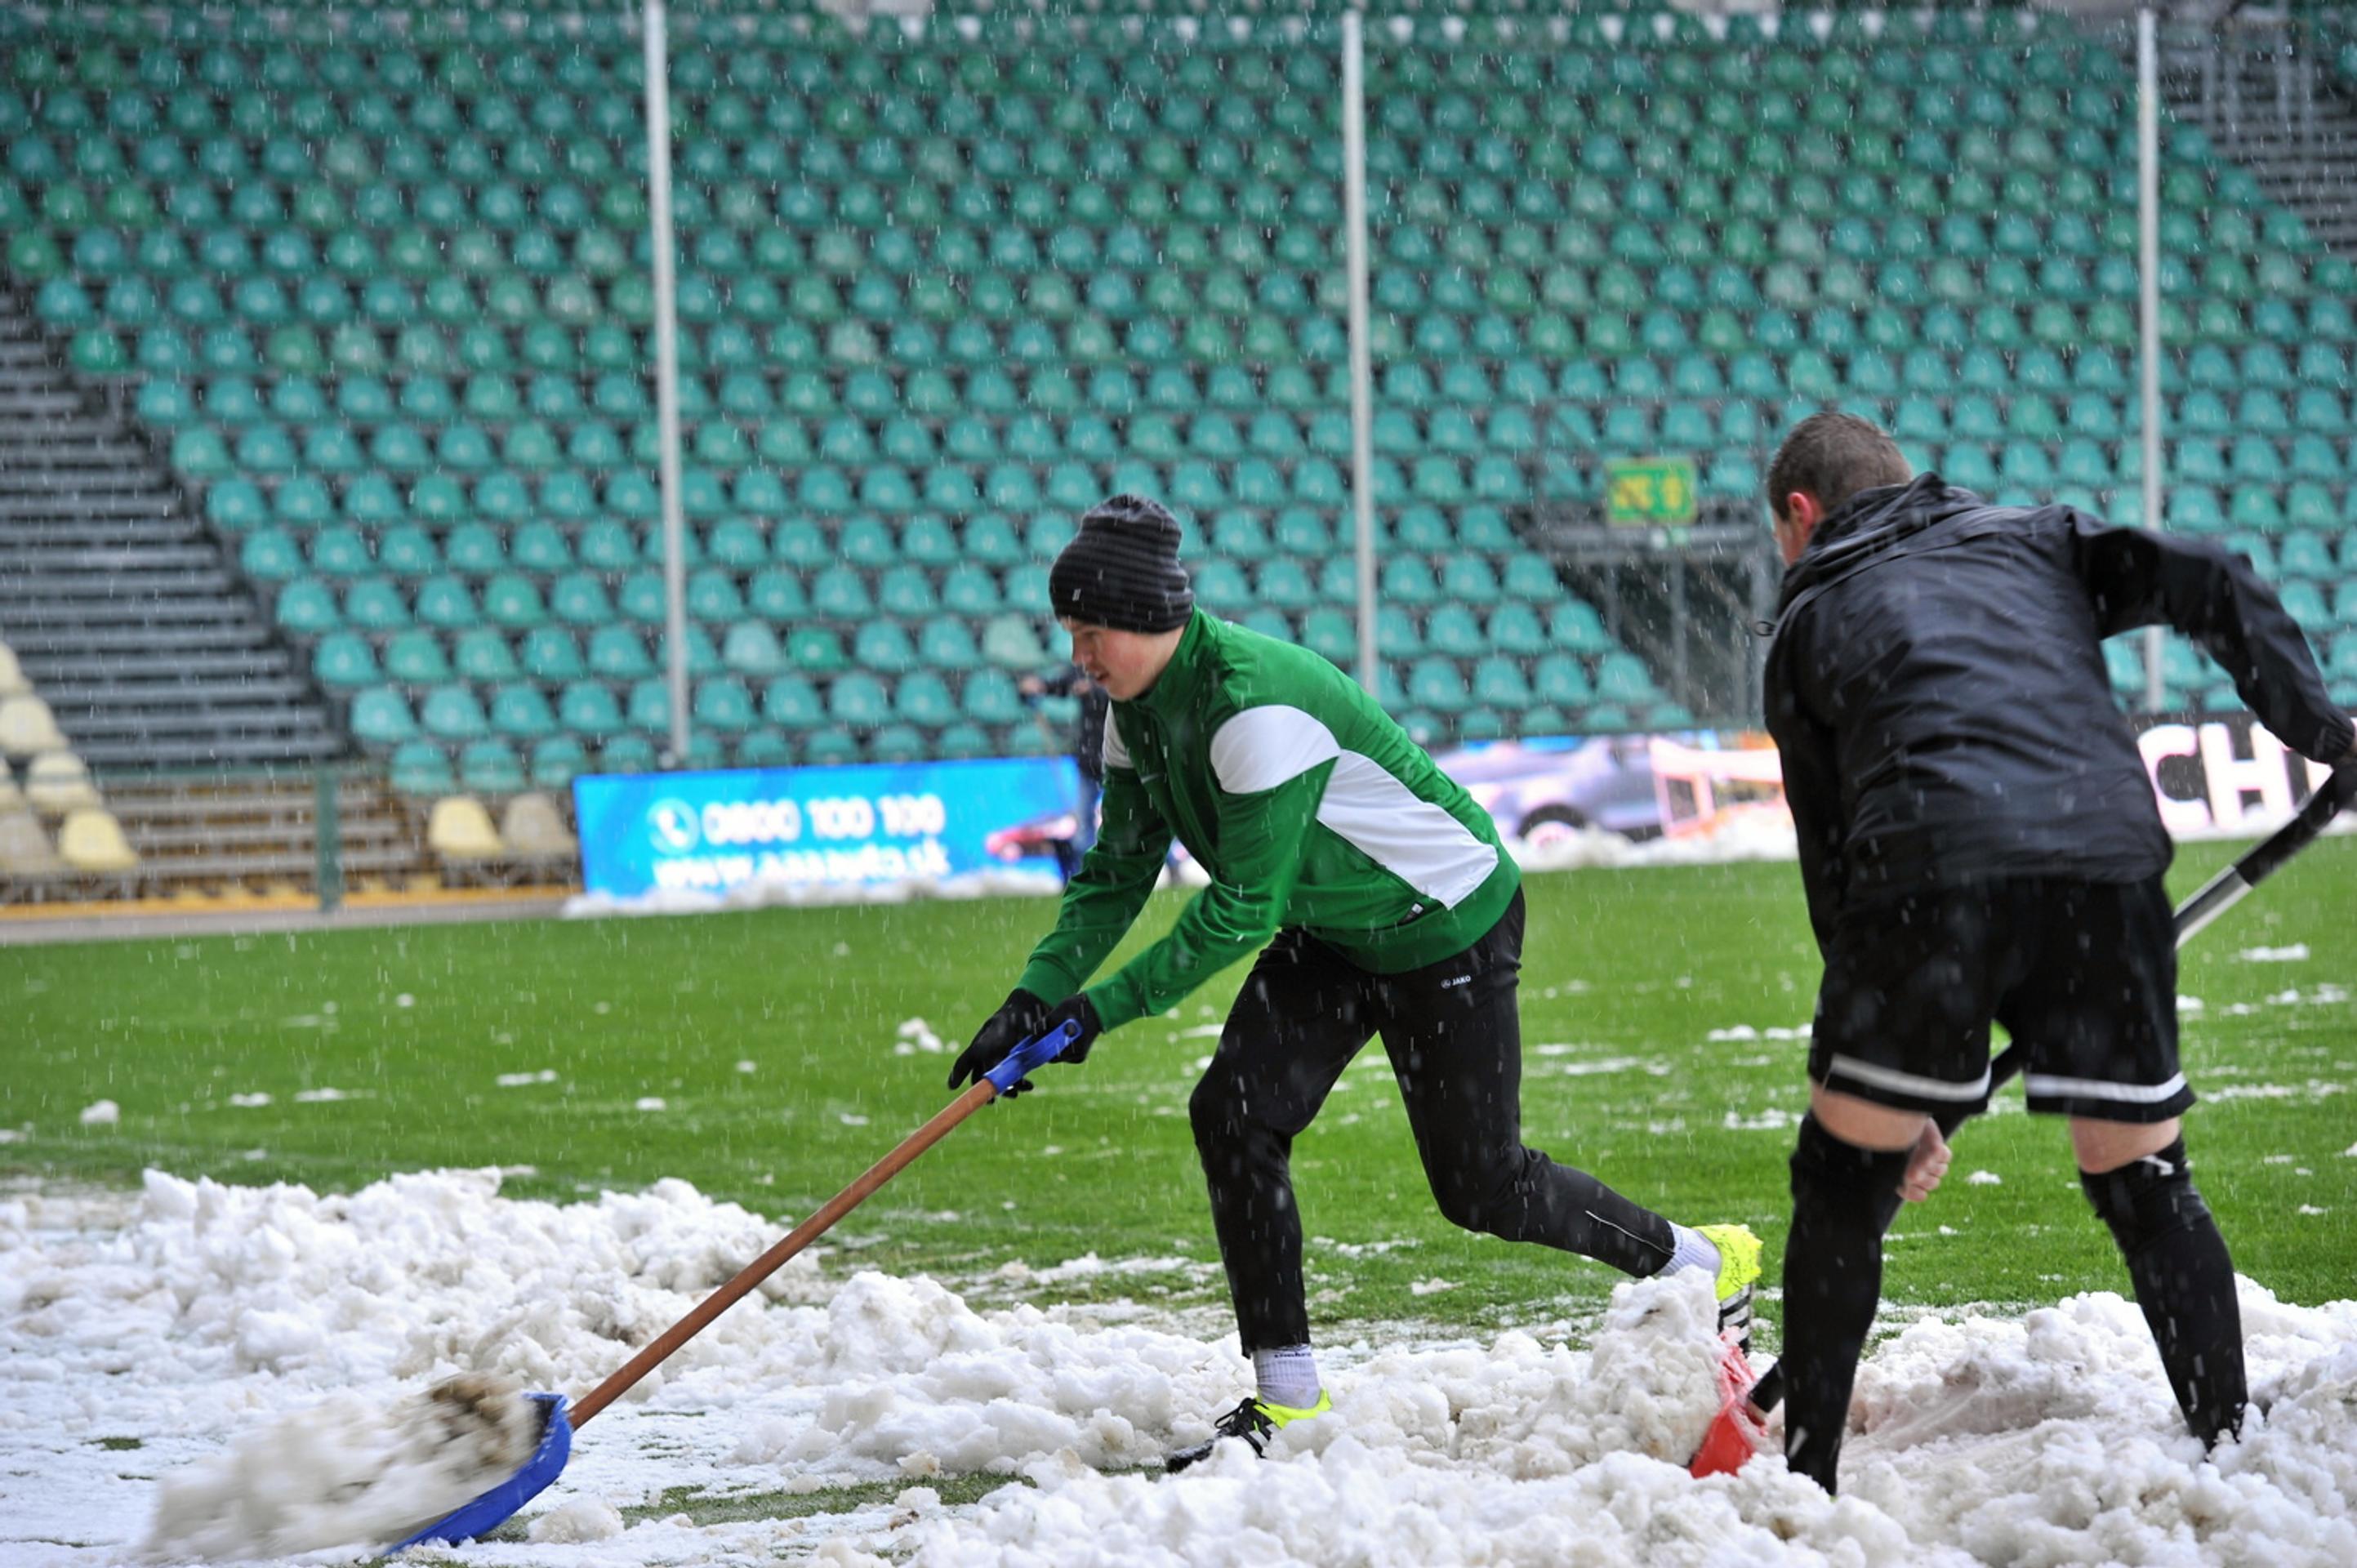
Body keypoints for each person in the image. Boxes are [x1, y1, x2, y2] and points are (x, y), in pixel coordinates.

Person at [947, 493, 1762, 1470]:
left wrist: (1097, 1011)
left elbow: (1241, 908)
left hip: (1445, 922)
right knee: (1233, 1112)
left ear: (1152, 617)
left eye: (1092, 632)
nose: (1080, 655)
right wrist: (1035, 996)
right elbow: (1118, 871)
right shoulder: (1133, 710)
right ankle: (1288, 1399)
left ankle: (1702, 1262)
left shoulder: (1253, 705)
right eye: (1070, 634)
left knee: (1483, 1187)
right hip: (1334, 930)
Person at [1757, 412, 2355, 1494]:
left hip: (1921, 870)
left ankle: (1801, 1483)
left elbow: (1833, 868)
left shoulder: (1806, 621)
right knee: (2140, 1172)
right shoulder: (2034, 539)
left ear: (1798, 515)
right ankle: (2225, 1436)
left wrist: (1891, 1089)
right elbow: (2212, 575)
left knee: (1842, 1187)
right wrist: (2323, 731)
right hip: (2100, 861)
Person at [1018, 663, 1108, 882]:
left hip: (1118, 760)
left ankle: (1167, 867)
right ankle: (1085, 876)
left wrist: (1095, 691)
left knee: (1131, 820)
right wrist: (1040, 686)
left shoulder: (1118, 665)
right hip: (1091, 760)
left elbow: (1130, 692)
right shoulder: (1090, 663)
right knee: (1083, 828)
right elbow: (1063, 685)